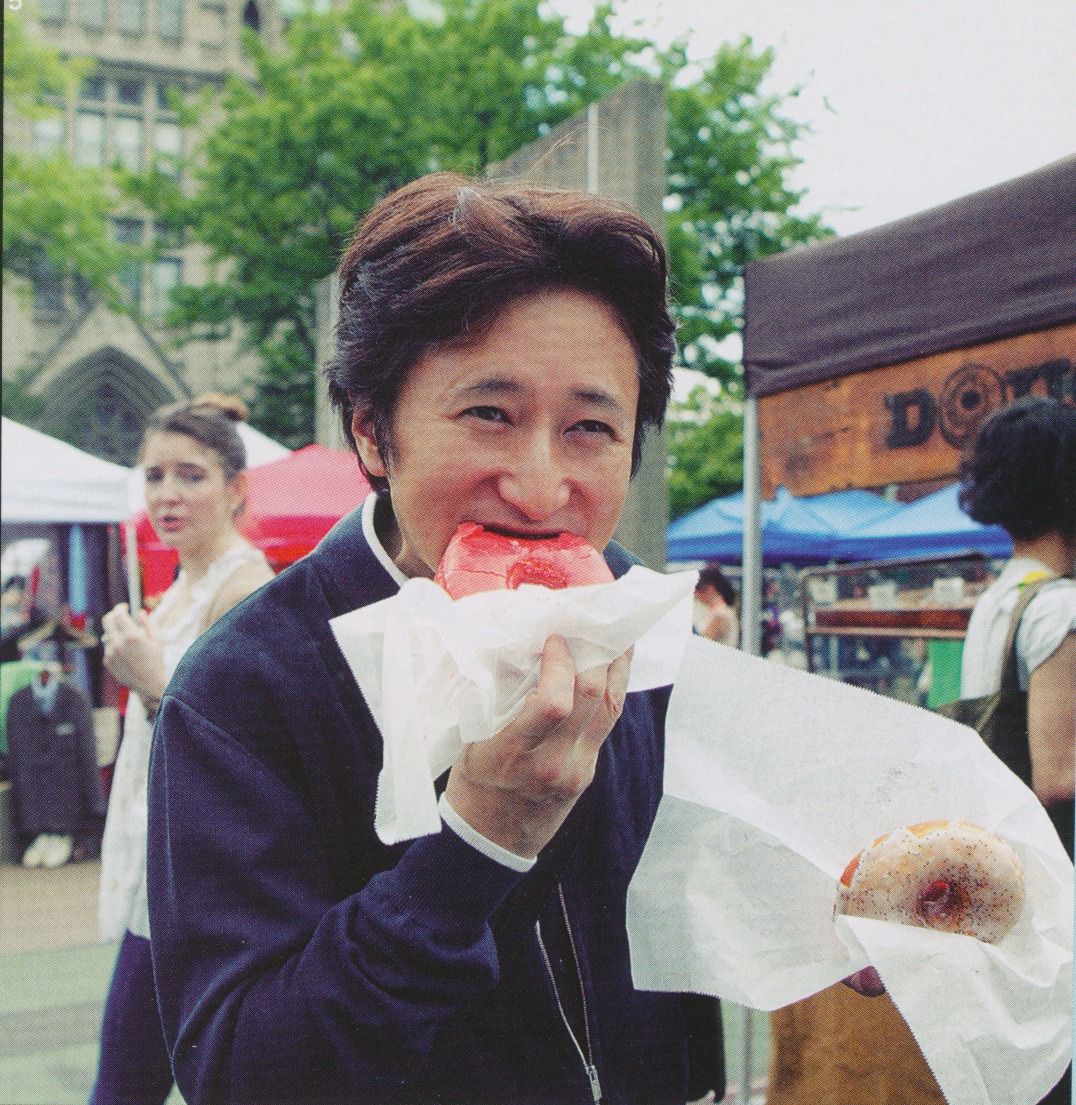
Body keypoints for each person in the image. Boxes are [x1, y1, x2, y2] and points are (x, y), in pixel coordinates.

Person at [147, 174, 726, 1105]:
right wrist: (479, 840)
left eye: (591, 427)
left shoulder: (636, 620)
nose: (540, 488)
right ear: (372, 433)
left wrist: (831, 917)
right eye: (489, 414)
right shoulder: (242, 690)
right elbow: (240, 1069)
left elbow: (690, 894)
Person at [91, 395, 274, 1105]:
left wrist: (151, 681)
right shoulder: (181, 583)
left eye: (191, 476)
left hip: (203, 879)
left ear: (235, 488)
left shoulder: (246, 588)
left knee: (128, 1085)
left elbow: (247, 751)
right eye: (154, 475)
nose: (166, 494)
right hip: (161, 859)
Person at [956, 395, 1074, 1105]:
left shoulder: (1000, 597)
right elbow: (1060, 774)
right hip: (1055, 897)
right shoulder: (1059, 607)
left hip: (1005, 893)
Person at [692, 564, 738, 647]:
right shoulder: (719, 611)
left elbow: (703, 646)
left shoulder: (719, 615)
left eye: (698, 589)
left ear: (711, 588)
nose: (696, 595)